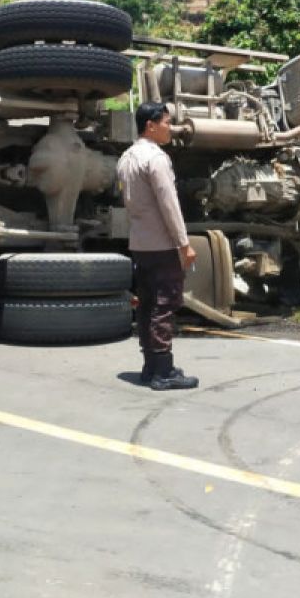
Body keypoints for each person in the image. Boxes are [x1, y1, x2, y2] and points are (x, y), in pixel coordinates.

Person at [116, 102, 199, 390]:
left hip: (140, 242)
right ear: (150, 125)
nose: (170, 128)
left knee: (147, 304)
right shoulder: (157, 158)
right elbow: (169, 204)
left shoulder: (126, 158)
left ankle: (150, 365)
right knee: (164, 305)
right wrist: (183, 244)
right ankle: (164, 370)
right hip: (163, 244)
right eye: (166, 122)